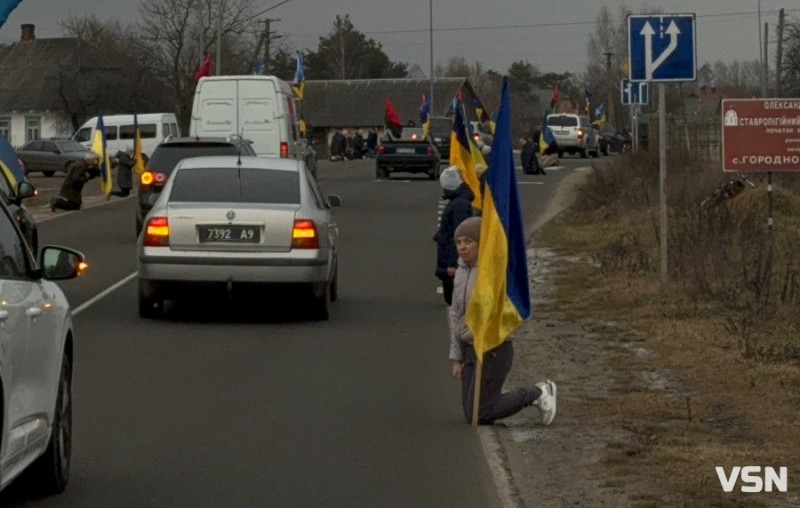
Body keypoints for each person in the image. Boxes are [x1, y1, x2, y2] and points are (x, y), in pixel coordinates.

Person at [448, 217, 557, 425]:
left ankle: (538, 392)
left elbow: (504, 309)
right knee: (471, 413)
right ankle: (517, 396)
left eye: (469, 241)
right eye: (459, 242)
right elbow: (456, 315)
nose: (462, 247)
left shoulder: (494, 272)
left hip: (493, 347)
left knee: (480, 414)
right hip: (470, 349)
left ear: (482, 243)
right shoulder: (461, 272)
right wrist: (457, 357)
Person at [434, 166, 474, 305]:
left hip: (452, 260)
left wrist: (453, 264)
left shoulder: (459, 205)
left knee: (454, 301)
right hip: (450, 256)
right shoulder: (459, 202)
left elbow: (459, 235)